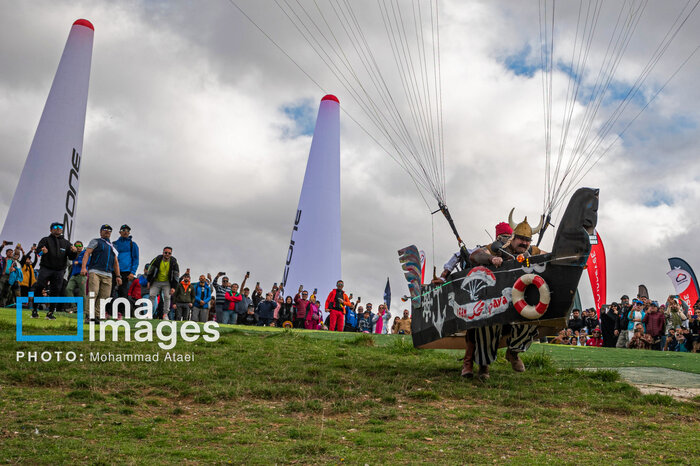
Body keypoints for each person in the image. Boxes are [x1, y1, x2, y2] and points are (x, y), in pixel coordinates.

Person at [464, 216, 545, 380]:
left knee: (531, 320)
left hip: (520, 301)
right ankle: (483, 365)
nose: (524, 243)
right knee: (487, 327)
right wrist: (491, 259)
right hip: (495, 300)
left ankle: (514, 352)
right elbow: (475, 256)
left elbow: (550, 255)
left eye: (527, 240)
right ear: (513, 237)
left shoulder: (532, 251)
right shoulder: (496, 249)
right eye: (521, 239)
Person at [32, 222, 78, 319]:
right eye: (55, 227)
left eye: (60, 227)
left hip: (59, 271)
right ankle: (34, 310)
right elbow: (38, 253)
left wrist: (74, 252)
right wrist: (42, 251)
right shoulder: (45, 240)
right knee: (39, 286)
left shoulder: (66, 243)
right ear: (51, 230)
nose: (58, 228)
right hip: (46, 268)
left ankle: (50, 313)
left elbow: (71, 257)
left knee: (56, 291)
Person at [81, 225, 121, 321]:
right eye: (105, 229)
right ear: (100, 232)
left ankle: (97, 315)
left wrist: (118, 276)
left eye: (109, 230)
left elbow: (115, 261)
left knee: (105, 296)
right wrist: (83, 267)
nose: (107, 231)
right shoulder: (96, 241)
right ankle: (89, 315)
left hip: (108, 274)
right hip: (95, 271)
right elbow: (87, 253)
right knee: (93, 293)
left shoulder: (113, 246)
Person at [146, 247, 180, 320]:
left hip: (167, 282)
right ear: (163, 253)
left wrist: (174, 287)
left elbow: (176, 276)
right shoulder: (157, 259)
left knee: (167, 297)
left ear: (171, 254)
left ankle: (165, 314)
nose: (167, 254)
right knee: (152, 295)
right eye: (166, 253)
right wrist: (149, 281)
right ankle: (149, 314)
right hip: (156, 281)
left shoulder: (174, 262)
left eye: (169, 253)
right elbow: (150, 270)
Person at [113, 225, 139, 301]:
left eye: (127, 230)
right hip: (114, 270)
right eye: (123, 230)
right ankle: (109, 310)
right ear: (120, 232)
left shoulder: (133, 244)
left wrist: (132, 272)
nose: (125, 232)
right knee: (111, 290)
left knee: (123, 292)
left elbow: (136, 259)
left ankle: (121, 311)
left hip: (126, 272)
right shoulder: (114, 244)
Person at [64, 240, 85, 312]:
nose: (78, 247)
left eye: (80, 246)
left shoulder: (85, 253)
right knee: (68, 289)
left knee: (82, 293)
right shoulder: (72, 254)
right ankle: (74, 307)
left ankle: (84, 310)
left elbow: (88, 262)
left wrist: (78, 262)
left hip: (82, 275)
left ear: (82, 247)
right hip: (73, 275)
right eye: (76, 246)